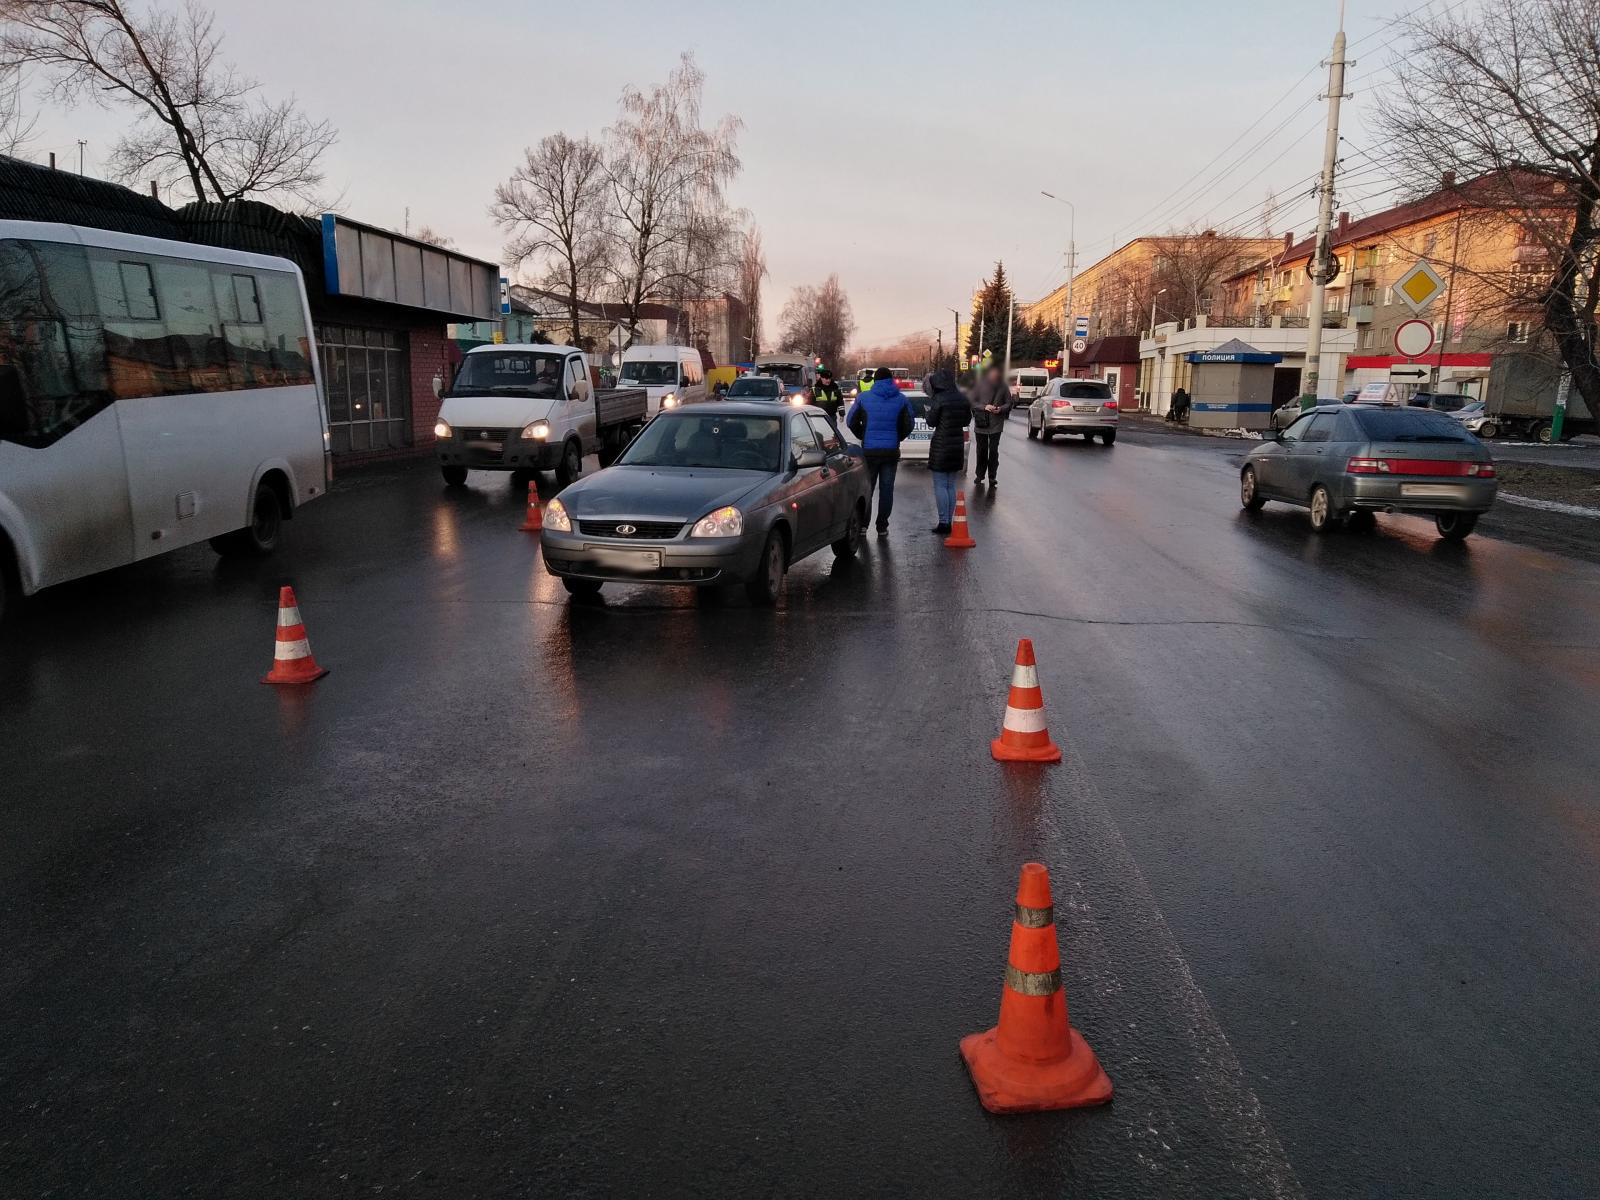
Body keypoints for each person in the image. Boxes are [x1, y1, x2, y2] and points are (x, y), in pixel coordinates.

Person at [846, 367, 915, 537]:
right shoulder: (901, 399)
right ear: (891, 380)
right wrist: (898, 437)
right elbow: (910, 423)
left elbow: (850, 421)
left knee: (867, 489)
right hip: (891, 452)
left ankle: (863, 525)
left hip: (869, 451)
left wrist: (863, 434)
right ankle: (882, 526)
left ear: (875, 381)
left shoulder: (863, 398)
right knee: (886, 490)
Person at [921, 367, 971, 534]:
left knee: (940, 485)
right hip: (956, 444)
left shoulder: (939, 399)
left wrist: (927, 413)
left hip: (941, 446)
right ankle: (949, 520)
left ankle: (944, 522)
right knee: (950, 485)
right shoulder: (962, 398)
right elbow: (967, 419)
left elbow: (932, 422)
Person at [970, 361, 1013, 490]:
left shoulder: (1003, 386)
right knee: (981, 451)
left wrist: (1000, 409)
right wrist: (984, 407)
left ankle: (992, 476)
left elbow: (1009, 403)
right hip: (981, 423)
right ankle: (980, 475)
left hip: (996, 424)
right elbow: (972, 402)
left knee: (993, 451)